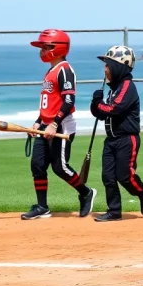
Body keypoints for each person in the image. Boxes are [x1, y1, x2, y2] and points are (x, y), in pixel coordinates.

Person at [24, 29, 96, 220]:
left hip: (61, 126)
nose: (41, 51)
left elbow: (68, 101)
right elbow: (49, 103)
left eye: (45, 47)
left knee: (60, 167)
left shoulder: (64, 70)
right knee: (37, 165)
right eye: (41, 47)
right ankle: (42, 207)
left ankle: (85, 192)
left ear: (58, 48)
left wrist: (54, 124)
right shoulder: (50, 71)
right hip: (45, 125)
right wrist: (39, 121)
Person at [90, 45, 143, 222]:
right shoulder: (114, 89)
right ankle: (114, 210)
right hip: (111, 140)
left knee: (124, 176)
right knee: (108, 176)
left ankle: (142, 190)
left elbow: (113, 109)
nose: (105, 69)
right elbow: (101, 114)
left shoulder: (127, 87)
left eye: (108, 65)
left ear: (118, 66)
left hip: (127, 139)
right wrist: (95, 103)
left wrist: (98, 104)